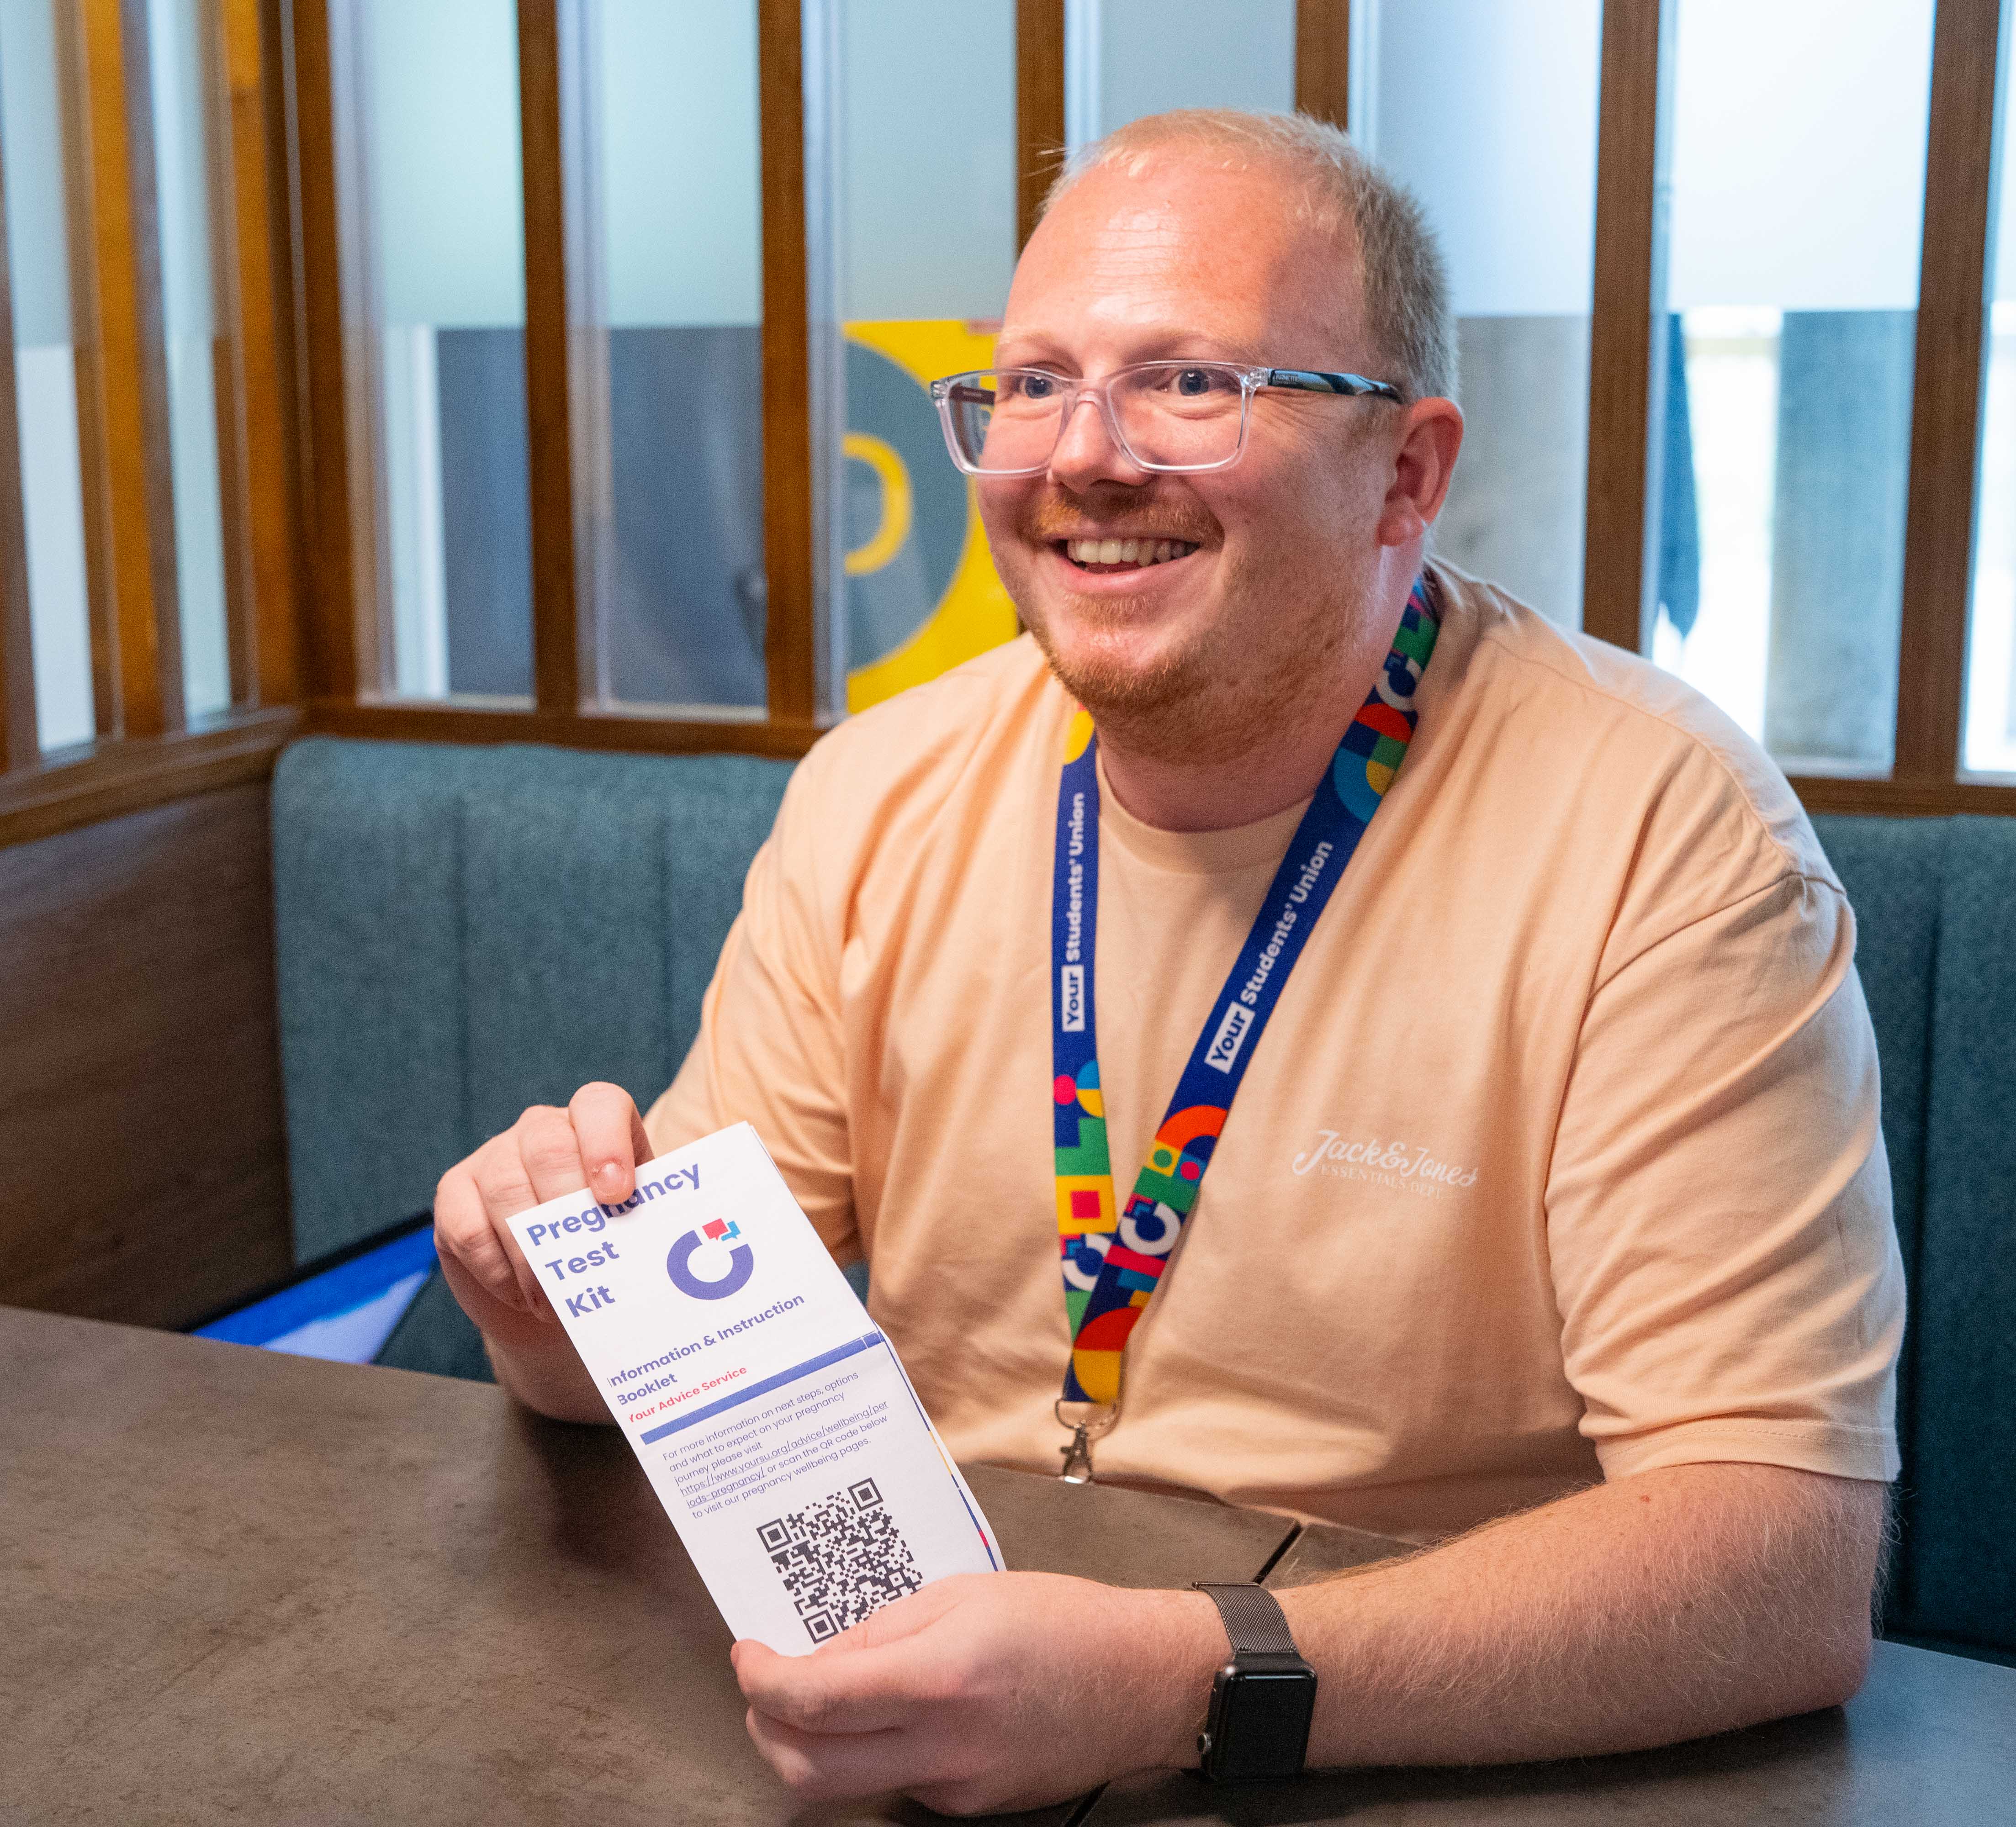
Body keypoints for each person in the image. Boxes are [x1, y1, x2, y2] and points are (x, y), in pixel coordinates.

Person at [432, 110, 1903, 1815]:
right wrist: (546, 1314)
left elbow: (1779, 1561)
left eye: (1193, 382)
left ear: (1406, 473)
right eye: (1035, 382)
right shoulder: (879, 792)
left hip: (1407, 1747)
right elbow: (697, 1362)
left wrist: (1174, 1681)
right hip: (912, 1704)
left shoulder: (1668, 837)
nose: (1085, 456)